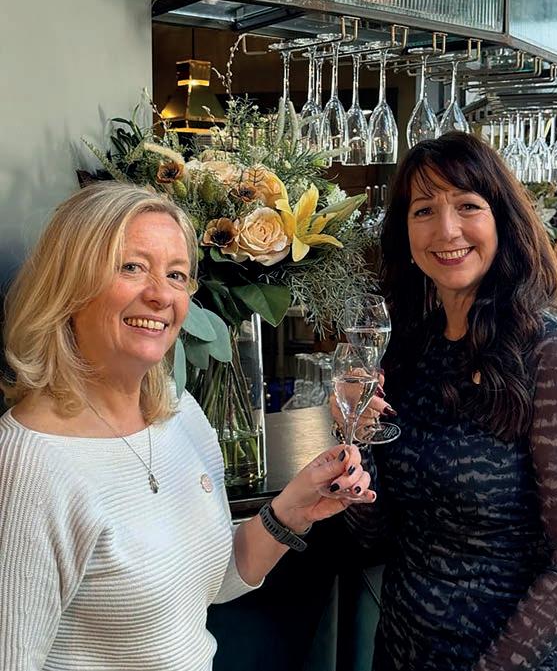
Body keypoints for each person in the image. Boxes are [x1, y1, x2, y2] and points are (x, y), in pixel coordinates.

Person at [0, 182, 374, 671]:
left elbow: (213, 578)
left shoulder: (179, 414)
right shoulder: (27, 466)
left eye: (176, 274)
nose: (160, 295)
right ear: (68, 284)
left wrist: (292, 510)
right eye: (131, 267)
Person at [333, 132, 557, 671]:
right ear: (405, 231)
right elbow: (373, 536)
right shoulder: (409, 351)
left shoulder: (551, 355)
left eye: (467, 205)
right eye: (424, 210)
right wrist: (354, 433)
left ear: (502, 219)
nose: (446, 230)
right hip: (399, 651)